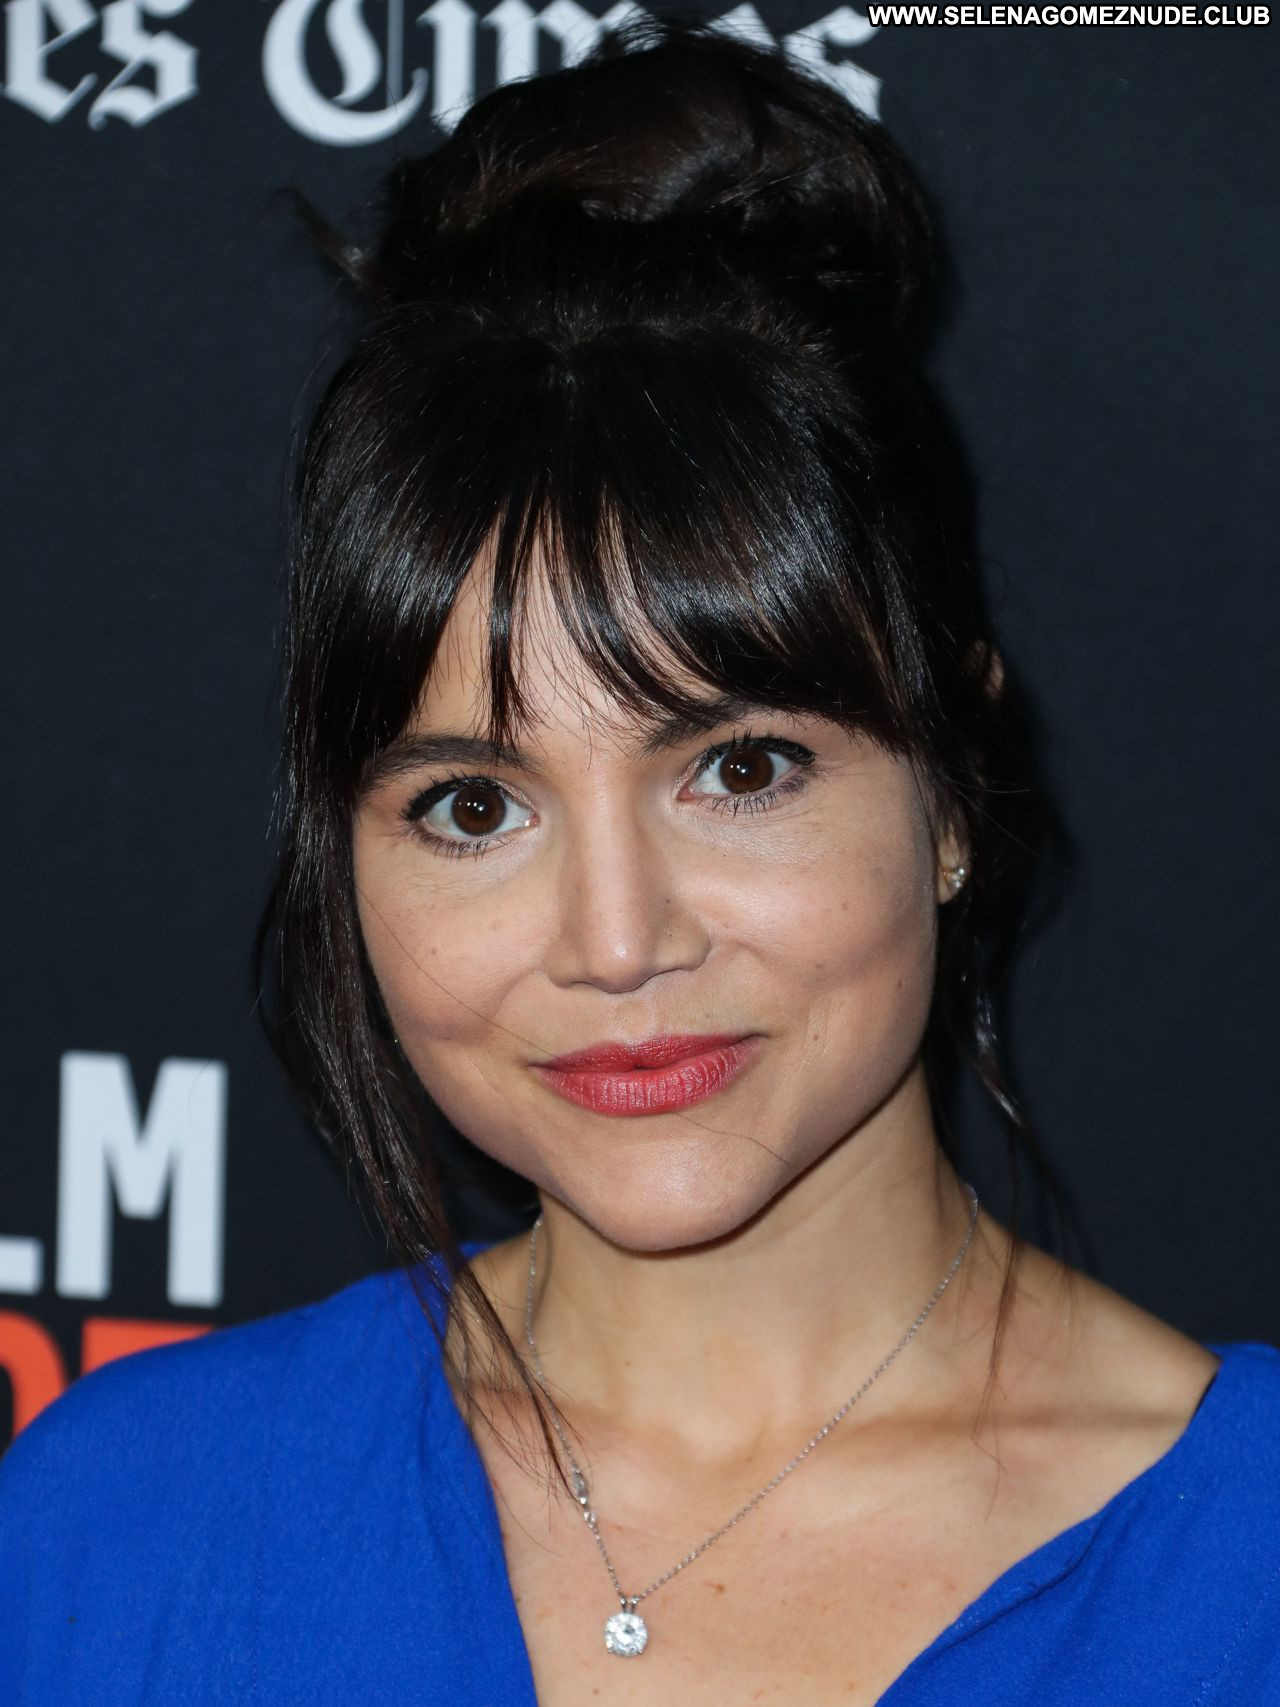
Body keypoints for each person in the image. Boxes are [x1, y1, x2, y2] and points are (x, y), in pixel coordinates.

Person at [2, 20, 1277, 1705]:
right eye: (475, 807)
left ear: (954, 790)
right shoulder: (112, 1523)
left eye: (740, 771)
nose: (614, 941)